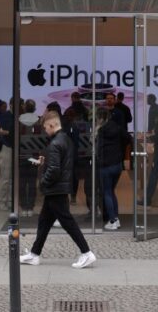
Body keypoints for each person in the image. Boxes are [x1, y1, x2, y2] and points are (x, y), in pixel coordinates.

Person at [19, 110, 97, 269]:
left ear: (52, 125)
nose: (45, 131)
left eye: (46, 127)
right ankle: (34, 254)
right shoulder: (65, 139)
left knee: (67, 222)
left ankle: (87, 253)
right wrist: (45, 162)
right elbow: (58, 163)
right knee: (44, 221)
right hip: (58, 188)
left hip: (56, 188)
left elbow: (55, 169)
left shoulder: (55, 143)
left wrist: (43, 183)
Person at [96, 108, 125, 230]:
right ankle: (116, 218)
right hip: (117, 164)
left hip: (106, 165)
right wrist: (120, 151)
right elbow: (127, 138)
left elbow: (97, 147)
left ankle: (112, 220)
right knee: (112, 191)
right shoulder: (117, 128)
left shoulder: (101, 130)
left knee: (107, 192)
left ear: (100, 118)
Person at [17, 100, 41, 217]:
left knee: (22, 182)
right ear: (35, 108)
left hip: (21, 154)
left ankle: (23, 207)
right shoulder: (38, 120)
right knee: (32, 182)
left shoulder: (19, 119)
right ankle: (30, 207)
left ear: (25, 108)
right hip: (34, 155)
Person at [0, 100, 15, 212]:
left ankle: (10, 201)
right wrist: (5, 133)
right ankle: (1, 202)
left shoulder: (18, 116)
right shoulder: (5, 115)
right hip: (6, 147)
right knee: (5, 177)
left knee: (12, 177)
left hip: (14, 148)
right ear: (11, 104)